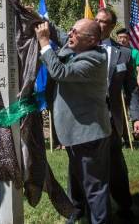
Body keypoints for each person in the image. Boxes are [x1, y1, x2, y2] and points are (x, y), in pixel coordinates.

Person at [36, 19, 112, 223]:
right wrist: (38, 18)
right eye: (71, 30)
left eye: (75, 32)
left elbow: (59, 72)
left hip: (88, 134)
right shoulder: (80, 44)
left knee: (95, 187)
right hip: (77, 132)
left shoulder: (93, 59)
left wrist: (44, 43)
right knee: (78, 177)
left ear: (91, 40)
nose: (70, 34)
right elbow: (60, 33)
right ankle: (77, 210)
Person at [95, 8, 139, 222]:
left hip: (113, 117)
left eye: (103, 22)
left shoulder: (123, 53)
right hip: (87, 117)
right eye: (95, 20)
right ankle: (80, 207)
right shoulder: (82, 47)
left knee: (116, 164)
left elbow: (132, 88)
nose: (98, 24)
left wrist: (137, 117)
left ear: (112, 26)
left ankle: (124, 205)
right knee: (83, 165)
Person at [116, 28, 139, 145]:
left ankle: (137, 132)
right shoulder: (116, 53)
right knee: (121, 112)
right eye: (120, 38)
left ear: (129, 39)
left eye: (125, 38)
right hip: (118, 85)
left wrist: (138, 82)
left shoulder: (135, 53)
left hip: (132, 85)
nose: (122, 40)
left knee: (135, 110)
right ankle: (126, 137)